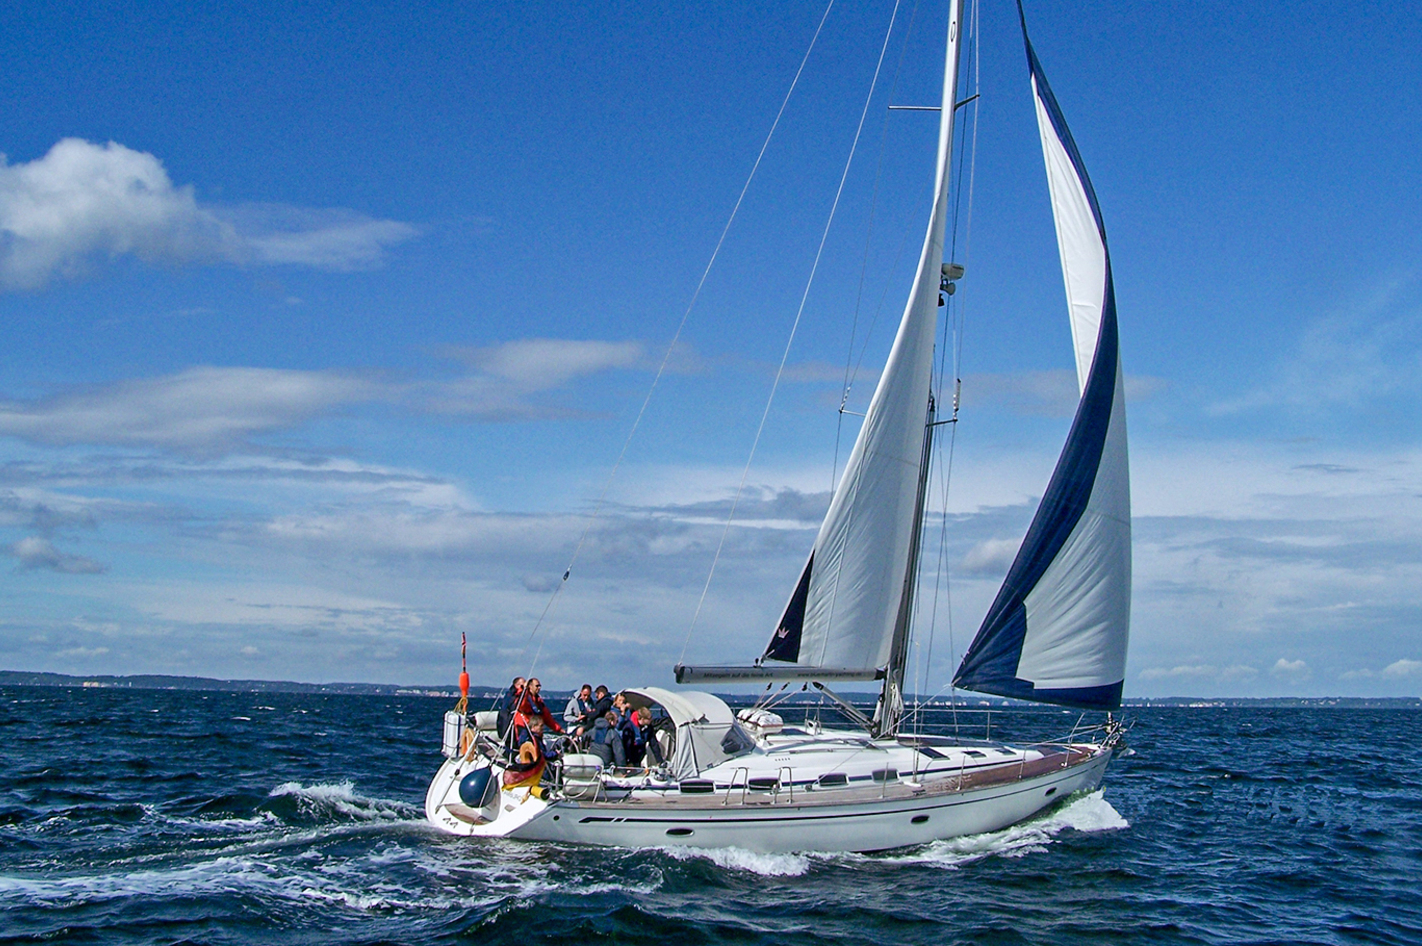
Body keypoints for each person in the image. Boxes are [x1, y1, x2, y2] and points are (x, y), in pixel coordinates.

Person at [496, 676, 525, 741]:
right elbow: (510, 707)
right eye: (523, 685)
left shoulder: (523, 695)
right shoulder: (511, 695)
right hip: (510, 726)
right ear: (517, 685)